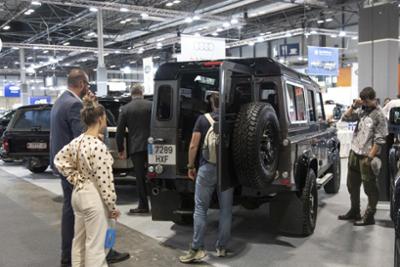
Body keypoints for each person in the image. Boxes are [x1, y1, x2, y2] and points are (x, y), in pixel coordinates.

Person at [50, 68, 129, 266]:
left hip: (77, 184)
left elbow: (61, 157)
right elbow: (105, 181)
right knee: (95, 245)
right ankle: (86, 255)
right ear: (83, 84)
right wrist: (112, 207)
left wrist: (76, 179)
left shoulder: (60, 101)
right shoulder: (74, 106)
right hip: (89, 188)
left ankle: (69, 258)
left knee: (78, 233)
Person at [179, 93, 234, 263]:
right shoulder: (231, 120)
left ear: (210, 103)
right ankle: (222, 247)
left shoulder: (203, 120)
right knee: (226, 210)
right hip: (227, 171)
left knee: (201, 209)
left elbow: (194, 144)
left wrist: (190, 166)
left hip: (207, 168)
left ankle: (197, 248)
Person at [338, 86, 388, 226]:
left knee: (370, 188)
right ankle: (355, 211)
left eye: (366, 101)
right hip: (355, 152)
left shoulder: (379, 115)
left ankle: (369, 216)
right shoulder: (362, 111)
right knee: (351, 185)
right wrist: (354, 106)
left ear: (373, 99)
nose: (364, 104)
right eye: (363, 101)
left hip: (367, 155)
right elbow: (345, 118)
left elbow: (380, 140)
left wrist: (370, 158)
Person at [116, 84, 152, 214]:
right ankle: (158, 203)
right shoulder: (151, 105)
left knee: (140, 177)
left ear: (131, 94)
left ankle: (143, 205)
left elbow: (120, 131)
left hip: (136, 147)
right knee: (154, 174)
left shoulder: (125, 109)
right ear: (142, 92)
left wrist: (120, 148)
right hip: (152, 146)